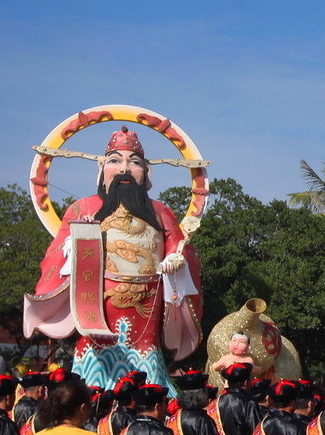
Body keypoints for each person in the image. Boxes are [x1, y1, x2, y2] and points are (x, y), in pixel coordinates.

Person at [22, 126, 203, 391]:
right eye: (115, 160)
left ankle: (150, 395)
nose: (125, 169)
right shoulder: (82, 208)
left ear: (146, 171)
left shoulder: (160, 211)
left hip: (146, 303)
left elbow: (180, 248)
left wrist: (176, 262)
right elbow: (56, 254)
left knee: (146, 358)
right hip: (96, 302)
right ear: (101, 168)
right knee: (93, 355)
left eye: (135, 162)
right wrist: (77, 240)